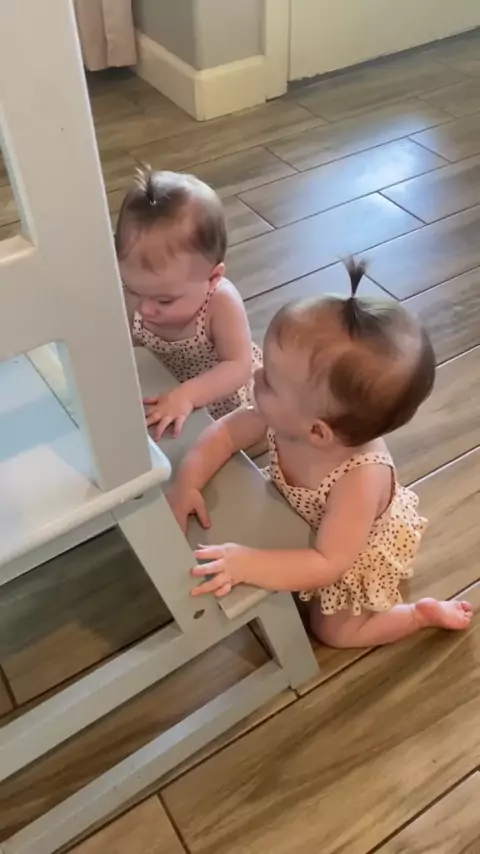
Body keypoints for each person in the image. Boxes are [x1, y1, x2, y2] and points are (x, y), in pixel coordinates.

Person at [167, 259, 473, 648]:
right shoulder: (286, 414)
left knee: (334, 633)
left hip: (350, 552)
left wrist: (248, 564)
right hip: (307, 521)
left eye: (270, 381)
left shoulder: (359, 481)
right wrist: (187, 481)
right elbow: (225, 434)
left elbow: (328, 563)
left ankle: (417, 615)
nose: (255, 375)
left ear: (317, 431)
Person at [116, 166, 262, 439]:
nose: (144, 309)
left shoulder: (221, 303)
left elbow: (237, 366)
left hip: (219, 399)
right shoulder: (140, 293)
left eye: (164, 300)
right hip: (163, 385)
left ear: (213, 277)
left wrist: (188, 395)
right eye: (133, 290)